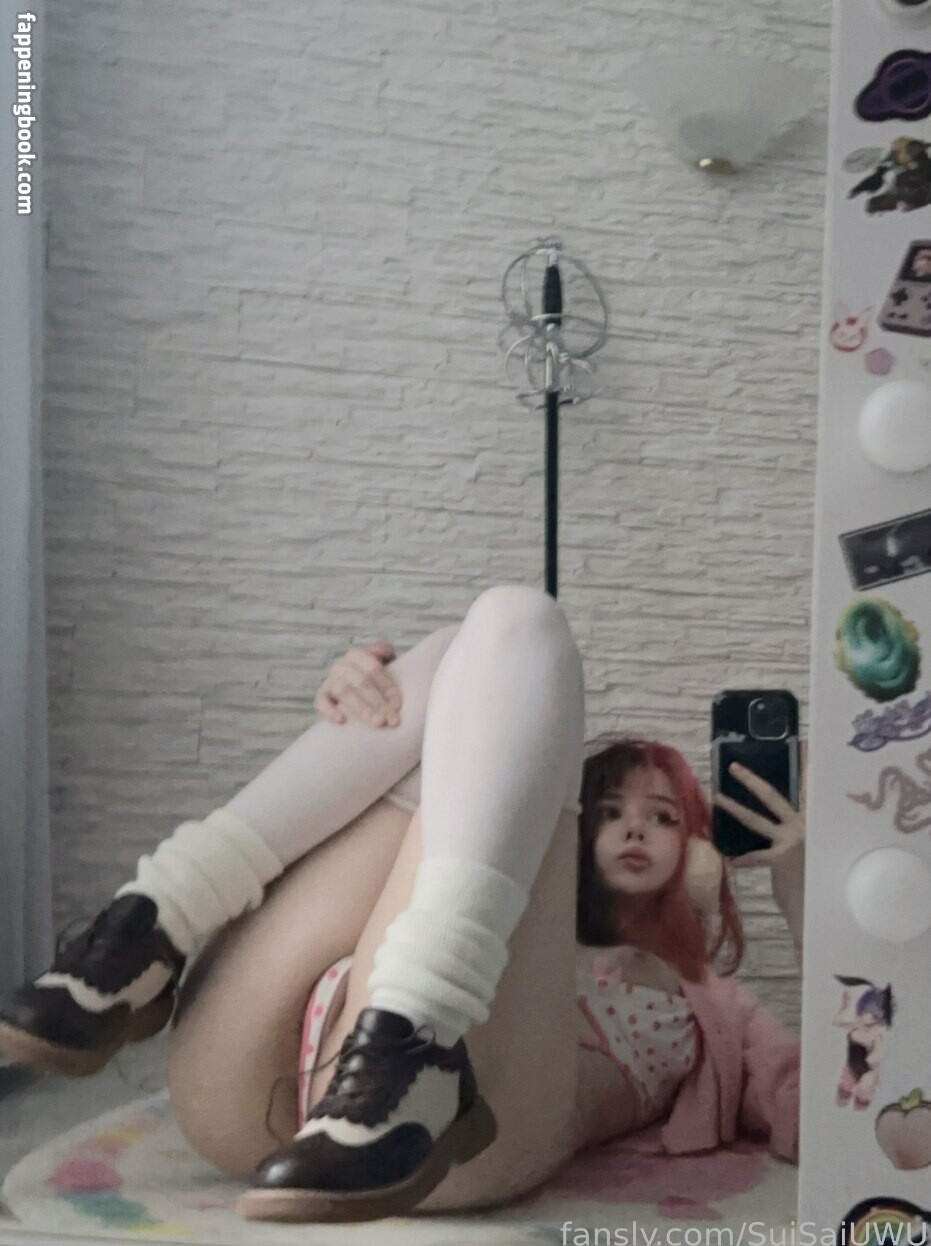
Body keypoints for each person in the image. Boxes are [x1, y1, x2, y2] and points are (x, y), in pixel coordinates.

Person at [0, 586, 804, 1223]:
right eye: (610, 810)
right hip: (240, 1090)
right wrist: (372, 711)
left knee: (514, 624)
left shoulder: (717, 1006)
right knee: (470, 652)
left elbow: (835, 1106)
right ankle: (162, 913)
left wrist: (805, 883)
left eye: (663, 817)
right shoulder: (485, 887)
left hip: (473, 1146)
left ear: (698, 849)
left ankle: (405, 1039)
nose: (633, 829)